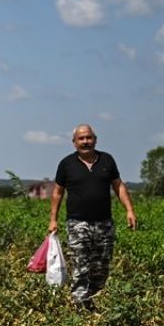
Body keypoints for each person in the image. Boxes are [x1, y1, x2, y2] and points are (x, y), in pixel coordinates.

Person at [49, 124, 137, 306]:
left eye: (89, 138)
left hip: (104, 223)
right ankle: (79, 304)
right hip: (77, 223)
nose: (85, 142)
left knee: (100, 266)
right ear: (74, 142)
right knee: (81, 263)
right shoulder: (66, 164)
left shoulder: (107, 160)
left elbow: (118, 186)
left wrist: (129, 210)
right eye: (81, 139)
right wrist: (53, 220)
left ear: (95, 140)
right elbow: (57, 192)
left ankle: (95, 300)